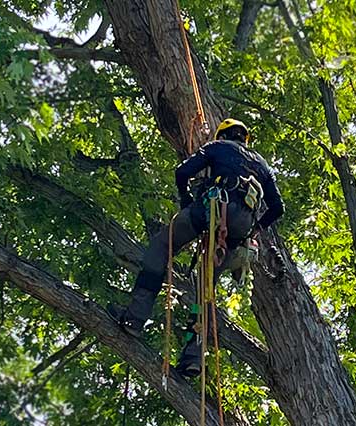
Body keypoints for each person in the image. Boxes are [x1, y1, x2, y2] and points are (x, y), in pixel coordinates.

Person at [109, 118, 284, 377]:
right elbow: (277, 208)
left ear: (223, 134)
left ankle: (134, 317)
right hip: (238, 231)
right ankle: (193, 357)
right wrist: (254, 229)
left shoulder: (217, 146)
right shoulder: (262, 165)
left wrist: (185, 200)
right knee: (205, 289)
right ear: (244, 138)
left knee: (161, 246)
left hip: (209, 211)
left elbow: (182, 172)